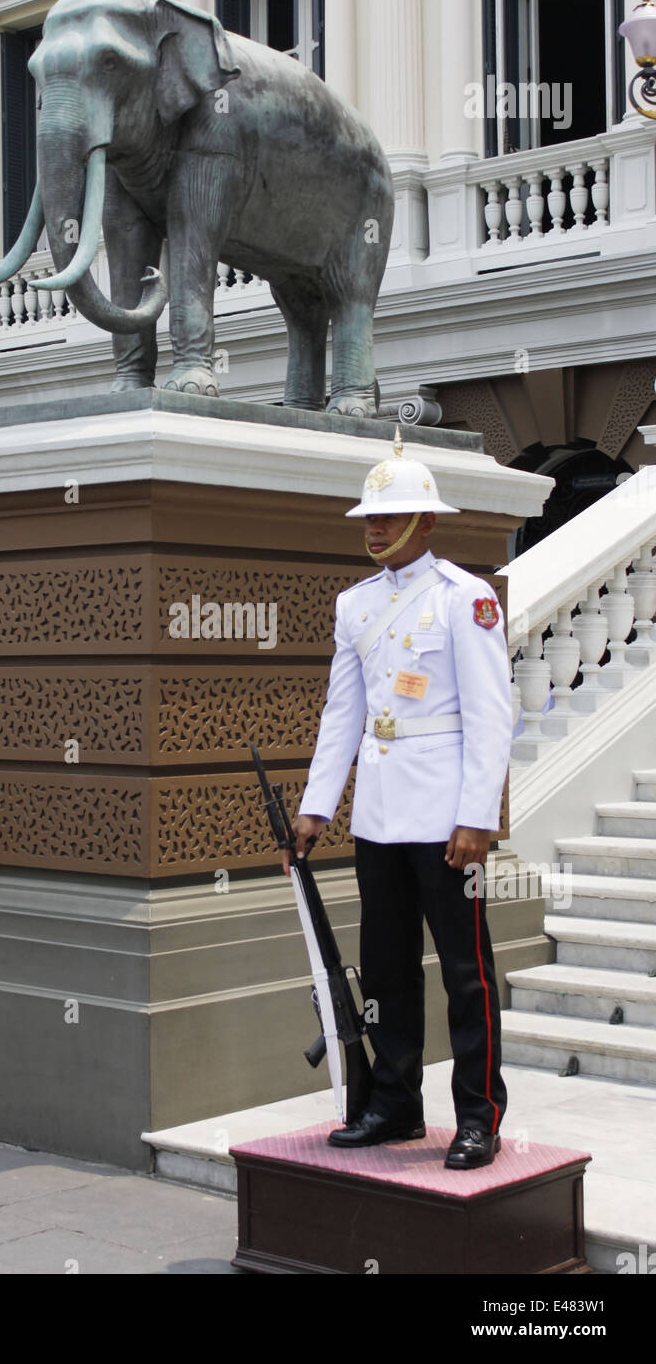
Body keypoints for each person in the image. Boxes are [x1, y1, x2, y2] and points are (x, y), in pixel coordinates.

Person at [285, 432, 513, 1169]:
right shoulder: (354, 607)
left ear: (429, 522)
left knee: (465, 972)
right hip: (381, 819)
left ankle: (478, 1116)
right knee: (384, 971)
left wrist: (479, 817)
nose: (375, 528)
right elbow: (340, 714)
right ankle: (395, 1104)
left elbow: (490, 715)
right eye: (370, 518)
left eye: (391, 516)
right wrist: (318, 806)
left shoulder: (465, 599)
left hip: (449, 824)